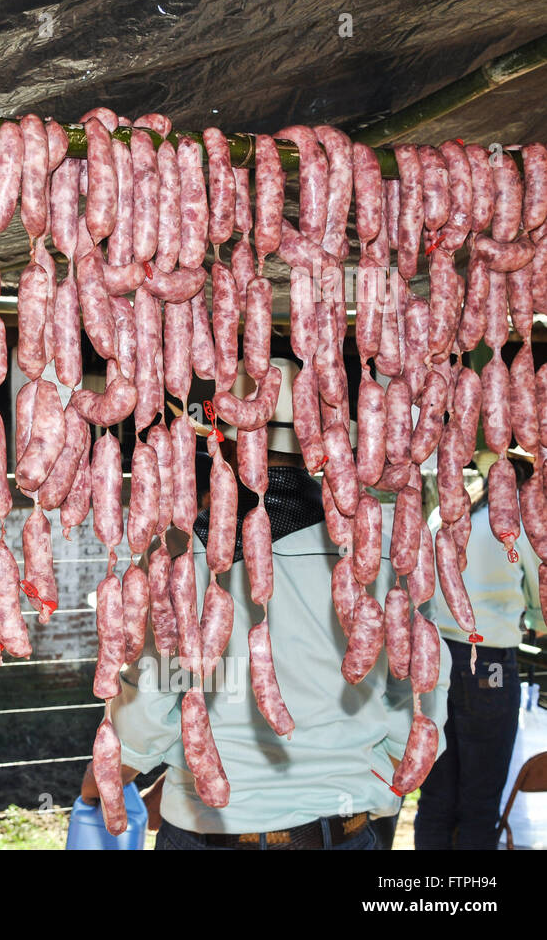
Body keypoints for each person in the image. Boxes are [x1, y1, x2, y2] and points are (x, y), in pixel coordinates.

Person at [82, 354, 450, 849]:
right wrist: (379, 772)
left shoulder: (181, 559)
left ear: (228, 444)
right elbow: (426, 688)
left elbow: (148, 709)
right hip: (344, 830)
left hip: (213, 832)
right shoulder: (385, 547)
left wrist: (120, 772)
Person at [413, 451, 542, 850]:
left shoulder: (447, 515)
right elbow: (541, 602)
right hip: (489, 665)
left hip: (437, 662)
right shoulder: (523, 524)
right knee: (480, 801)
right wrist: (531, 621)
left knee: (435, 796)